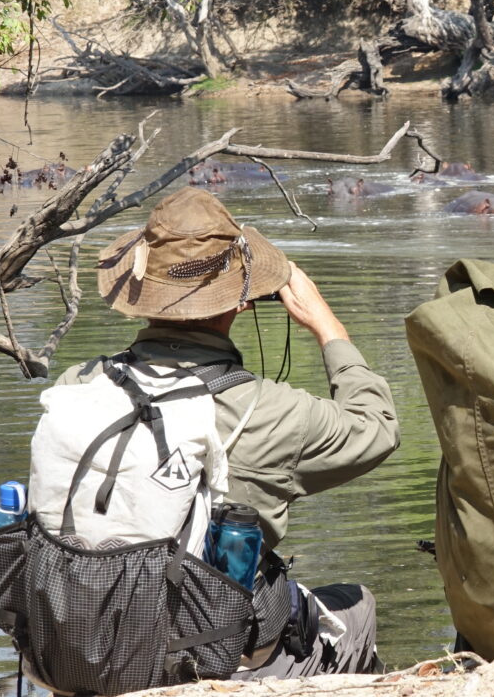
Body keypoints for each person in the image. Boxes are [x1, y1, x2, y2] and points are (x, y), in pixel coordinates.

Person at [60, 186, 399, 676]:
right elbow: (377, 427)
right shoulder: (275, 412)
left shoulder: (79, 385)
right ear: (242, 300)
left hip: (84, 645)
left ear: (140, 295)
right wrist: (328, 327)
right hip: (207, 658)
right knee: (356, 606)